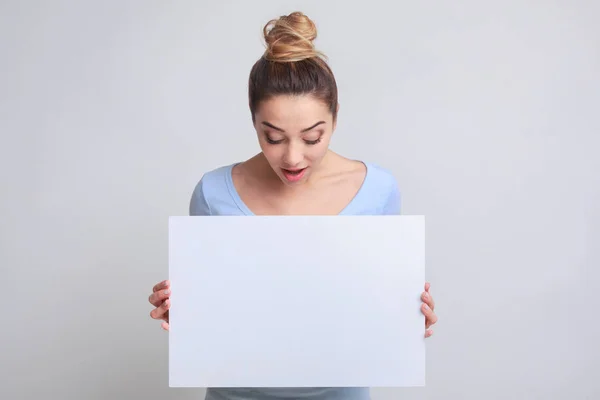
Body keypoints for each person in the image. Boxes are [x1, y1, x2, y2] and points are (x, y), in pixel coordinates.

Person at [148, 11, 438, 400]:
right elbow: (212, 317)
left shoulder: (377, 190)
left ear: (334, 120)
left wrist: (408, 317)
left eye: (312, 138)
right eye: (274, 137)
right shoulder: (213, 192)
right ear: (254, 123)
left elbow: (377, 313)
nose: (293, 158)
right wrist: (181, 311)